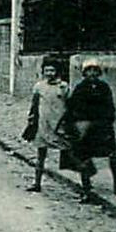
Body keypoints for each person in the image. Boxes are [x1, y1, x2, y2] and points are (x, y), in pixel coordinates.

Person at [64, 59, 116, 201]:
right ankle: (86, 188)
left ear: (99, 72)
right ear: (84, 73)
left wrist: (108, 120)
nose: (92, 73)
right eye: (89, 71)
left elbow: (110, 106)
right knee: (84, 156)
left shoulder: (104, 87)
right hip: (86, 127)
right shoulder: (80, 88)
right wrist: (78, 124)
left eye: (95, 70)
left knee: (112, 154)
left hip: (102, 126)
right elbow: (73, 107)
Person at [24, 58, 73, 193]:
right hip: (43, 125)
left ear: (57, 71)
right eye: (47, 70)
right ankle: (37, 183)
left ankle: (85, 186)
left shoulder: (64, 87)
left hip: (59, 125)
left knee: (72, 153)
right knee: (40, 155)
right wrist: (31, 120)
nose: (49, 73)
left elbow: (70, 106)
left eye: (52, 70)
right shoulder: (39, 87)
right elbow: (34, 105)